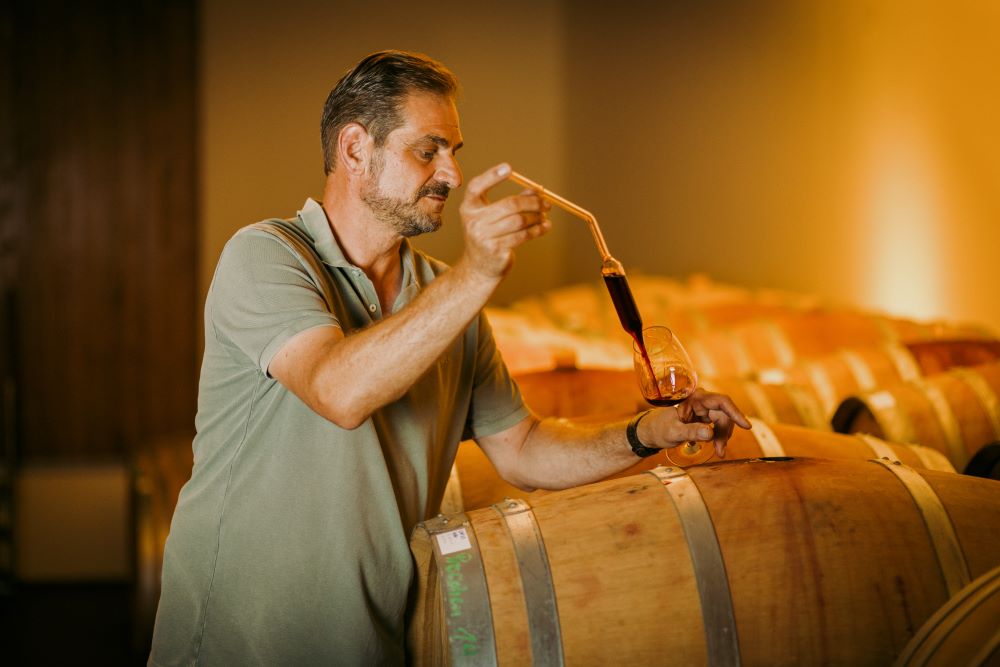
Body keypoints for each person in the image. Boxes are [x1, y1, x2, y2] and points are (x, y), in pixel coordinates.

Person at [148, 50, 751, 665]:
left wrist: (649, 432)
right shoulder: (264, 256)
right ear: (355, 149)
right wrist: (476, 274)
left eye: (454, 152)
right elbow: (337, 392)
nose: (452, 175)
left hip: (371, 645)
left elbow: (524, 450)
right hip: (234, 644)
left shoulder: (444, 295)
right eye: (428, 150)